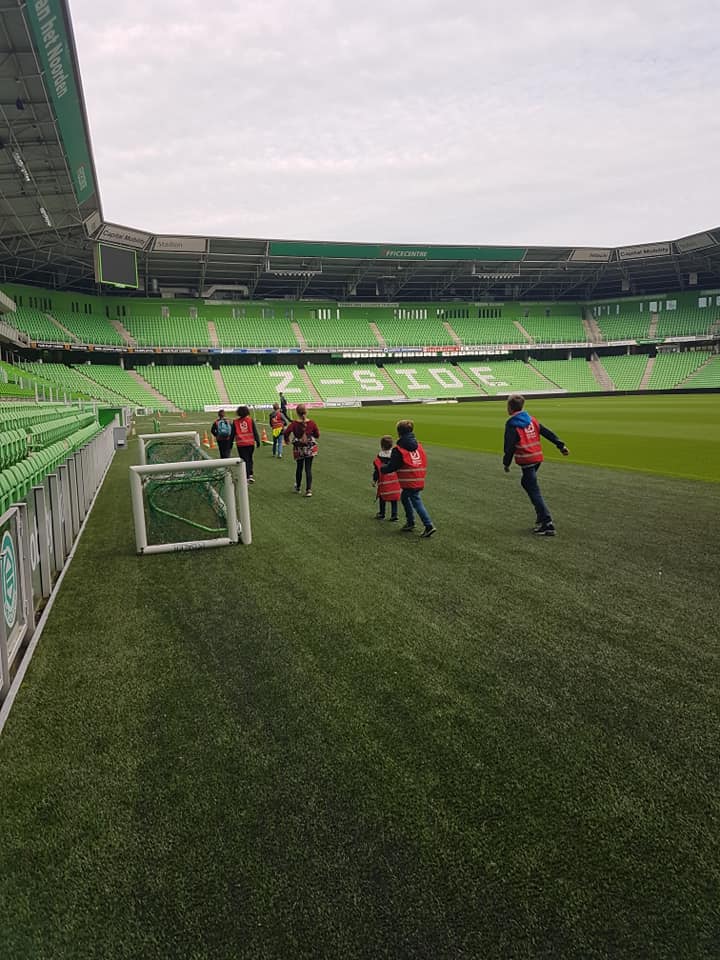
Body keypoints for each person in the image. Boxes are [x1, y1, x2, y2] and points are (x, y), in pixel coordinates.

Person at [502, 394, 569, 536]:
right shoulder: (532, 420)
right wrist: (560, 445)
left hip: (526, 459)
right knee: (526, 483)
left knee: (533, 489)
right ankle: (541, 517)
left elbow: (509, 446)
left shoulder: (512, 424)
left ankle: (547, 522)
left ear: (510, 407)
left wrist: (506, 463)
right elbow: (546, 432)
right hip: (537, 458)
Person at [381, 419, 436, 537]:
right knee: (405, 497)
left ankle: (428, 525)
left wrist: (383, 469)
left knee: (416, 501)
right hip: (419, 477)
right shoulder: (418, 445)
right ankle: (410, 522)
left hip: (409, 480)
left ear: (399, 432)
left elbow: (393, 466)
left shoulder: (399, 449)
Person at [283, 403, 319, 497]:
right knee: (308, 469)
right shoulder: (311, 423)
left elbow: (286, 432)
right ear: (306, 412)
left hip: (299, 448)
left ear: (297, 412)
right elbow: (317, 435)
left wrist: (287, 440)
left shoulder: (294, 424)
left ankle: (298, 487)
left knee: (299, 468)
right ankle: (308, 490)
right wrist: (310, 436)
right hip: (309, 447)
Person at [372, 435, 400, 521]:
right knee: (394, 498)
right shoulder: (395, 456)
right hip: (394, 481)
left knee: (382, 497)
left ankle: (382, 513)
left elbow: (377, 470)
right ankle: (394, 515)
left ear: (382, 445)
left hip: (384, 481)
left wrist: (374, 480)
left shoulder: (379, 457)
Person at [233, 404, 260, 483]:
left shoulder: (235, 422)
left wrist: (230, 443)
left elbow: (232, 434)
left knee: (244, 459)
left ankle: (247, 475)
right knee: (249, 458)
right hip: (250, 443)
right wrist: (257, 441)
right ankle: (249, 474)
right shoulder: (250, 420)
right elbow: (255, 431)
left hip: (241, 444)